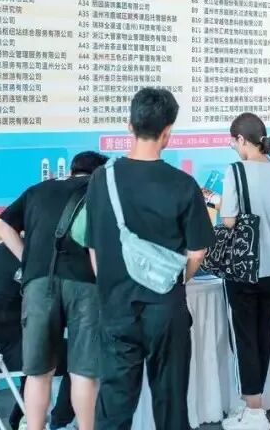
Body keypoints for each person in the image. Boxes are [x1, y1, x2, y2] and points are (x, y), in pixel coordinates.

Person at [85, 88, 215, 430]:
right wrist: (172, 279)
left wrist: (111, 288)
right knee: (171, 405)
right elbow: (198, 251)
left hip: (116, 307)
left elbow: (93, 246)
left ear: (129, 126)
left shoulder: (101, 179)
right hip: (166, 309)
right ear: (168, 132)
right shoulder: (184, 185)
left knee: (113, 407)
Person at [0, 151, 110, 430]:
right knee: (84, 372)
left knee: (38, 372)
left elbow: (1, 223)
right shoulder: (100, 192)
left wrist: (28, 259)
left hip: (39, 284)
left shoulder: (38, 190)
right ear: (100, 173)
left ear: (72, 170)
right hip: (85, 285)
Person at [220, 114, 270, 430]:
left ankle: (253, 411)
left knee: (245, 339)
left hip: (243, 268)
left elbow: (228, 221)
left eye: (233, 141)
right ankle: (255, 405)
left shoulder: (235, 171)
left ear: (242, 139)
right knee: (263, 335)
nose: (232, 147)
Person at [0, 239, 73, 430]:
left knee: (36, 344)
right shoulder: (24, 254)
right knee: (80, 354)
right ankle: (59, 423)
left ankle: (22, 417)